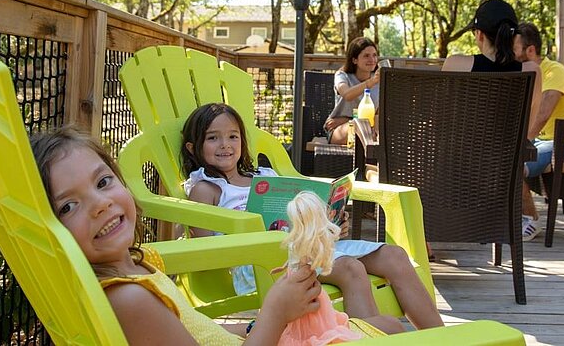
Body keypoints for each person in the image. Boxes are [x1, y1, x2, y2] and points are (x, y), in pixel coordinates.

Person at [30, 126, 324, 346]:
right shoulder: (129, 299)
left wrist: (255, 326)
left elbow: (193, 328)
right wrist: (275, 312)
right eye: (68, 206)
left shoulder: (137, 265)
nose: (100, 204)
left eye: (103, 181)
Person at [181, 103, 444, 333]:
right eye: (213, 138)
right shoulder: (207, 188)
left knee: (394, 256)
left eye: (232, 136)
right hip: (264, 264)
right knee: (352, 268)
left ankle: (441, 339)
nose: (225, 145)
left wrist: (327, 223)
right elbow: (205, 254)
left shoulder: (265, 176)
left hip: (305, 247)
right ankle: (366, 338)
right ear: (194, 148)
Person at [513, 22, 564, 241]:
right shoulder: (526, 74)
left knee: (515, 165)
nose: (511, 53)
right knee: (503, 158)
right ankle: (510, 217)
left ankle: (531, 220)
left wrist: (522, 142)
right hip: (544, 142)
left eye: (515, 49)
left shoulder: (553, 71)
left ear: (530, 50)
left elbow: (543, 114)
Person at [280, 191, 367, 345]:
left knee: (314, 321)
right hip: (302, 291)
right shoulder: (298, 244)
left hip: (307, 290)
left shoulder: (304, 245)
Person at [442, 0, 542, 130]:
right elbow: (527, 130)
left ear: (479, 35)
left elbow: (442, 119)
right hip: (509, 151)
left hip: (461, 149)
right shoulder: (532, 71)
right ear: (514, 36)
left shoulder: (455, 65)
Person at [324, 37, 381, 145]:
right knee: (357, 126)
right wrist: (370, 82)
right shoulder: (342, 76)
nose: (372, 59)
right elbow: (347, 94)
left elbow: (377, 114)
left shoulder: (378, 81)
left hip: (369, 130)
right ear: (354, 60)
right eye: (366, 56)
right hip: (341, 130)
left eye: (374, 55)